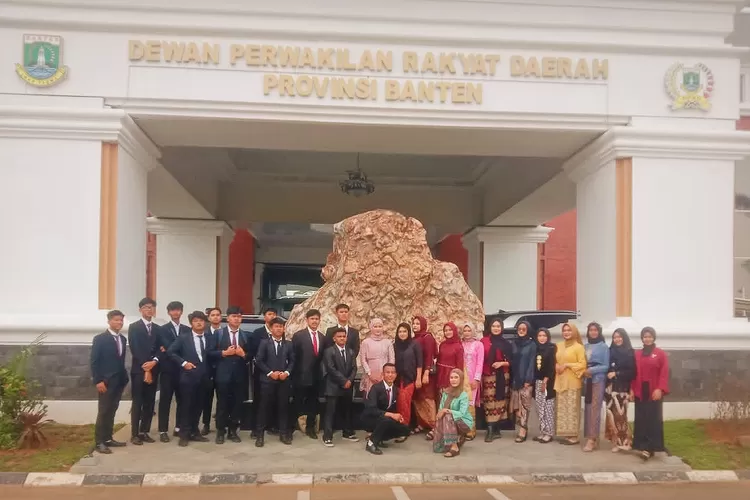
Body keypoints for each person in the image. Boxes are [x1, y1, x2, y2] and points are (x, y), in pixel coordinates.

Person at [167, 311, 215, 447]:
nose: (199, 323)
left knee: (199, 406)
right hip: (188, 378)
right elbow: (171, 352)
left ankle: (195, 432)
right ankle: (184, 434)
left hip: (204, 377)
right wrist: (183, 363)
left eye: (201, 320)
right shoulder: (183, 338)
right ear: (191, 323)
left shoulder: (209, 338)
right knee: (186, 406)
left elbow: (211, 355)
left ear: (205, 323)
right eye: (195, 321)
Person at [91, 310, 129, 454]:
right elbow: (94, 362)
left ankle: (108, 438)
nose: (119, 323)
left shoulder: (123, 339)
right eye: (116, 320)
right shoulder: (100, 339)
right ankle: (99, 441)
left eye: (121, 320)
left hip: (119, 381)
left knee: (112, 410)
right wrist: (98, 380)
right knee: (104, 411)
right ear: (109, 321)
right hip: (105, 382)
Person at [254, 317, 294, 447]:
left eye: (281, 327)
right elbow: (258, 360)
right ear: (271, 329)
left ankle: (283, 434)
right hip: (267, 381)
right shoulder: (264, 343)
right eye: (276, 326)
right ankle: (260, 436)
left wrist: (286, 373)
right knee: (263, 408)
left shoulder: (288, 344)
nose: (279, 329)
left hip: (283, 381)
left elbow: (293, 361)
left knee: (283, 408)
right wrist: (271, 373)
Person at [631, 326, 669, 461]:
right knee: (641, 418)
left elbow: (664, 373)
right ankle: (641, 445)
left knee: (653, 418)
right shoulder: (637, 354)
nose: (647, 339)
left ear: (653, 338)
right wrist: (632, 389)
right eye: (645, 336)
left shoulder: (660, 354)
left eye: (650, 336)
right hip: (641, 390)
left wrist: (660, 389)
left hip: (654, 390)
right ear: (642, 338)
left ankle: (650, 447)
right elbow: (634, 373)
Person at [213, 305, 249, 444]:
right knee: (222, 404)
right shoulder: (218, 334)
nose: (237, 319)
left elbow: (252, 355)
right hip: (222, 375)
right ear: (227, 318)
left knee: (237, 404)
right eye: (234, 316)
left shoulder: (245, 335)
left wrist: (243, 354)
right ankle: (220, 431)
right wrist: (223, 353)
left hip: (240, 376)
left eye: (239, 316)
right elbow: (209, 352)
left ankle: (233, 431)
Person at [127, 297, 160, 445]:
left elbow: (161, 349)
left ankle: (144, 431)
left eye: (152, 307)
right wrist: (146, 369)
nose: (149, 310)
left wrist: (154, 362)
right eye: (146, 307)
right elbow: (135, 348)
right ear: (140, 310)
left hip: (154, 369)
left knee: (149, 402)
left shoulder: (158, 329)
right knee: (137, 402)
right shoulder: (134, 327)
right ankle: (134, 434)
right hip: (139, 371)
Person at [157, 300, 191, 442]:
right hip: (168, 370)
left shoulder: (187, 329)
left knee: (182, 400)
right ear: (169, 312)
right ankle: (163, 430)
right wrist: (171, 349)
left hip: (183, 370)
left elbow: (185, 348)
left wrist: (170, 349)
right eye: (173, 310)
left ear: (181, 312)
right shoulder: (162, 329)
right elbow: (167, 346)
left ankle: (179, 427)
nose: (175, 312)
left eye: (178, 310)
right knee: (165, 400)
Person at [360, 363, 411, 455]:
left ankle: (379, 438)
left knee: (406, 430)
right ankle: (371, 444)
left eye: (393, 372)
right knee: (386, 420)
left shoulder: (395, 389)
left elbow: (392, 409)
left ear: (396, 375)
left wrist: (399, 417)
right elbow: (371, 409)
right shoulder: (376, 388)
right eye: (387, 372)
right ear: (383, 374)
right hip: (370, 418)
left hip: (384, 419)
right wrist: (392, 415)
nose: (390, 375)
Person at [292, 309, 326, 439]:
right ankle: (291, 427)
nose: (314, 321)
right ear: (307, 320)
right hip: (300, 376)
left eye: (316, 319)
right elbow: (294, 357)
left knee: (313, 403)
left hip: (316, 377)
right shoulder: (299, 336)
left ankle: (310, 427)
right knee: (297, 402)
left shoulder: (322, 337)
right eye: (312, 319)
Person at [322, 327, 359, 447]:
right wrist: (343, 381)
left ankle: (347, 433)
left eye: (344, 336)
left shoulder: (350, 351)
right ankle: (327, 436)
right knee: (330, 412)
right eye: (339, 336)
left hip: (347, 386)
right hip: (333, 386)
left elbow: (354, 368)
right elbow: (331, 369)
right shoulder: (329, 351)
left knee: (347, 410)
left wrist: (349, 380)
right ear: (334, 338)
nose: (342, 338)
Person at [426, 322, 463, 441]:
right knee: (441, 403)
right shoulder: (442, 345)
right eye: (445, 330)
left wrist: (457, 380)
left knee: (449, 404)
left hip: (451, 378)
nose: (447, 332)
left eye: (450, 330)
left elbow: (460, 366)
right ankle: (439, 428)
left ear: (454, 331)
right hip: (441, 376)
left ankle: (445, 429)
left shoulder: (458, 346)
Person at [554, 322, 587, 445]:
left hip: (573, 381)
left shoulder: (578, 347)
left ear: (574, 332)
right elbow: (555, 359)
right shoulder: (559, 345)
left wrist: (567, 365)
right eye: (564, 330)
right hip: (561, 379)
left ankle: (574, 436)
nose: (566, 332)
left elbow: (582, 364)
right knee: (563, 408)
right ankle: (566, 434)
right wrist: (556, 365)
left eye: (569, 330)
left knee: (572, 409)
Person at [481, 318, 511, 443]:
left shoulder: (506, 343)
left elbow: (513, 361)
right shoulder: (484, 341)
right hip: (488, 376)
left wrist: (501, 363)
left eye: (498, 326)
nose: (496, 328)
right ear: (490, 327)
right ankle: (490, 430)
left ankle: (495, 429)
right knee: (489, 403)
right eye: (494, 326)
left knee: (500, 402)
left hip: (502, 376)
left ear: (502, 328)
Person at [605, 328, 636, 452]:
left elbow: (632, 372)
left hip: (623, 389)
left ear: (624, 338)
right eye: (614, 337)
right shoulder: (610, 351)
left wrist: (616, 373)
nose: (617, 339)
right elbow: (606, 367)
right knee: (611, 416)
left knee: (621, 416)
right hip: (610, 389)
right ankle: (616, 442)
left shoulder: (629, 352)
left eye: (619, 337)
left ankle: (626, 441)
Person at [249, 307, 277, 438]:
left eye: (274, 314)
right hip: (261, 372)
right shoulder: (257, 333)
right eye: (269, 314)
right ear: (264, 317)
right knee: (259, 400)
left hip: (277, 373)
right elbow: (253, 352)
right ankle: (256, 428)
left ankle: (271, 425)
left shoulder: (279, 331)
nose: (272, 316)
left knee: (273, 400)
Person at [433, 368, 473, 458]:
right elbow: (440, 409)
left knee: (447, 415)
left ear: (461, 379)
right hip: (450, 422)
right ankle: (455, 439)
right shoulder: (446, 393)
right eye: (451, 377)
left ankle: (454, 447)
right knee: (443, 416)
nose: (453, 380)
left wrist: (447, 411)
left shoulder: (463, 395)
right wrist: (440, 414)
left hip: (463, 422)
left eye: (456, 377)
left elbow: (462, 413)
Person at [582, 322, 610, 452]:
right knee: (587, 407)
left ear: (599, 332)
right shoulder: (586, 346)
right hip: (587, 380)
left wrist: (592, 370)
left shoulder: (603, 347)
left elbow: (606, 366)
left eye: (595, 330)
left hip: (598, 380)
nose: (593, 332)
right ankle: (591, 436)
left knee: (595, 408)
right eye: (591, 330)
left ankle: (592, 439)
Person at [393, 322, 423, 434]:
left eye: (404, 331)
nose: (402, 333)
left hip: (410, 378)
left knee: (405, 402)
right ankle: (401, 426)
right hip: (396, 379)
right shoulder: (395, 345)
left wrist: (419, 378)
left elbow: (420, 362)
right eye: (400, 331)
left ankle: (404, 428)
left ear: (408, 332)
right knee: (399, 403)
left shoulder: (414, 344)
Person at [510, 321, 536, 443]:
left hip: (526, 380)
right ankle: (520, 426)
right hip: (515, 379)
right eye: (519, 329)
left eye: (524, 329)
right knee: (517, 405)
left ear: (528, 330)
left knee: (524, 405)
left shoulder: (532, 345)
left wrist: (528, 379)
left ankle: (523, 430)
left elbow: (532, 363)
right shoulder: (514, 343)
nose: (521, 331)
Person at [411, 316, 437, 435]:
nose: (415, 325)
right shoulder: (414, 338)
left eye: (417, 323)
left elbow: (429, 356)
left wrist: (426, 373)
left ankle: (434, 426)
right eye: (414, 323)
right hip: (416, 373)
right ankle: (422, 423)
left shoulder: (427, 337)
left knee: (428, 399)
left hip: (426, 374)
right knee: (418, 399)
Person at [358, 318, 395, 397]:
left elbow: (392, 359)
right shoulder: (365, 342)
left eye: (380, 326)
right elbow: (363, 360)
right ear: (371, 328)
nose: (378, 329)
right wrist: (369, 373)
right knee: (371, 397)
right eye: (375, 326)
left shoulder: (388, 342)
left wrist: (387, 373)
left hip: (385, 375)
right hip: (370, 374)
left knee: (384, 397)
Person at [200, 306, 222, 436]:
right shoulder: (204, 332)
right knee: (206, 399)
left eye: (217, 315)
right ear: (208, 318)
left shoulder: (225, 332)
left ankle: (220, 424)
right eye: (212, 315)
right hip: (207, 371)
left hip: (222, 370)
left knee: (222, 399)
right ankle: (206, 424)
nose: (215, 317)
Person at [532, 327, 556, 444]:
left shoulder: (551, 348)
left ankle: (549, 433)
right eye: (540, 336)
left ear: (548, 337)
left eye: (544, 336)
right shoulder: (535, 348)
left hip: (547, 382)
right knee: (539, 408)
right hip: (537, 381)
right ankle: (543, 431)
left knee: (548, 408)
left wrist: (545, 381)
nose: (542, 338)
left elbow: (552, 367)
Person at [460, 323, 484, 440]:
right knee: (462, 404)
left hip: (472, 380)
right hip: (461, 379)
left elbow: (480, 363)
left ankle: (471, 431)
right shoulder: (460, 344)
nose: (467, 333)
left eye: (469, 330)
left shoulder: (479, 345)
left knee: (470, 404)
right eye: (465, 330)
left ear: (473, 331)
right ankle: (462, 430)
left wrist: (477, 379)